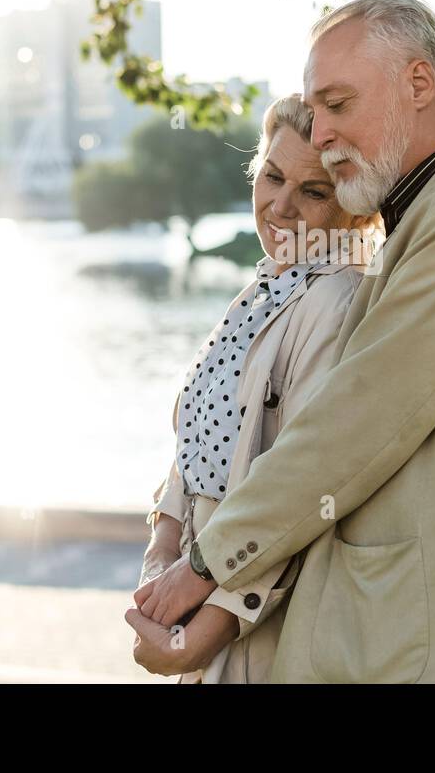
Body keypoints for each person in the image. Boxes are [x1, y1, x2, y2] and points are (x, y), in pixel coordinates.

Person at [132, 0, 435, 683]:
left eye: (339, 107)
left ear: (419, 83)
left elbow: (354, 423)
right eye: (314, 116)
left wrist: (201, 570)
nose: (320, 137)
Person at [126, 94, 379, 682]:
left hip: (254, 622)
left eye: (312, 192)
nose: (280, 206)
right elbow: (198, 438)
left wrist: (201, 631)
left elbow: (301, 487)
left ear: (354, 207)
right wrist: (161, 553)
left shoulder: (336, 301)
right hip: (192, 588)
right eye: (271, 177)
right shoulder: (269, 284)